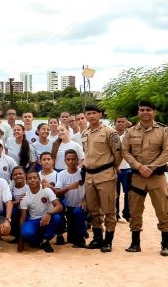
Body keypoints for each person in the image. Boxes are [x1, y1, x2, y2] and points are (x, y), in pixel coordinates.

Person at [121, 100, 168, 256]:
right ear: (138, 112)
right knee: (135, 211)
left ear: (154, 112)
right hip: (137, 177)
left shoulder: (163, 131)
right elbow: (125, 151)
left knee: (163, 210)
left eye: (148, 110)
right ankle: (135, 243)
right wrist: (139, 167)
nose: (144, 112)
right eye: (142, 110)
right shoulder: (130, 131)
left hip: (157, 177)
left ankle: (166, 244)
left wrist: (151, 167)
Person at [80, 105, 122, 252]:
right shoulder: (85, 132)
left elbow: (118, 153)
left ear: (100, 114)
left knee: (109, 210)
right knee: (93, 209)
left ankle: (108, 241)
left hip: (105, 175)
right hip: (89, 176)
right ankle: (97, 238)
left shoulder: (110, 132)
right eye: (88, 113)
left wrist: (112, 168)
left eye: (94, 113)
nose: (91, 116)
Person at [19, 171, 63, 253]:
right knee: (26, 233)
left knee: (57, 217)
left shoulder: (46, 190)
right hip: (34, 220)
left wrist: (49, 213)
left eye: (35, 178)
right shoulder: (24, 197)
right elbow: (23, 217)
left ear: (39, 180)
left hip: (48, 219)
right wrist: (20, 240)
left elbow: (59, 206)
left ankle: (46, 239)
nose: (32, 180)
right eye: (29, 178)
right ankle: (39, 241)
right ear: (26, 182)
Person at [55, 150, 88, 247]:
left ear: (77, 160)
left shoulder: (82, 173)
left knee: (78, 212)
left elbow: (90, 188)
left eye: (73, 159)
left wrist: (85, 200)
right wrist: (69, 187)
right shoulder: (61, 174)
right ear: (65, 161)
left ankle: (82, 239)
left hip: (82, 205)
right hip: (69, 206)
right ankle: (81, 229)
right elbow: (58, 192)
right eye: (68, 159)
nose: (71, 162)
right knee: (71, 239)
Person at [114, 115, 132, 222]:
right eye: (119, 121)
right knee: (115, 193)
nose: (121, 123)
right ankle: (115, 214)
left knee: (128, 192)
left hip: (127, 168)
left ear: (126, 123)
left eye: (123, 122)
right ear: (115, 123)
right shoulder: (111, 135)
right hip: (115, 168)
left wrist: (130, 125)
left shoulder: (129, 135)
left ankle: (127, 213)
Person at [9, 165, 29, 241]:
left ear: (25, 175)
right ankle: (17, 235)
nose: (18, 176)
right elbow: (8, 203)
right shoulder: (11, 186)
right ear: (12, 177)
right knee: (11, 212)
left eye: (20, 174)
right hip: (18, 210)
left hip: (29, 210)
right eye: (15, 174)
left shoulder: (29, 185)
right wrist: (18, 201)